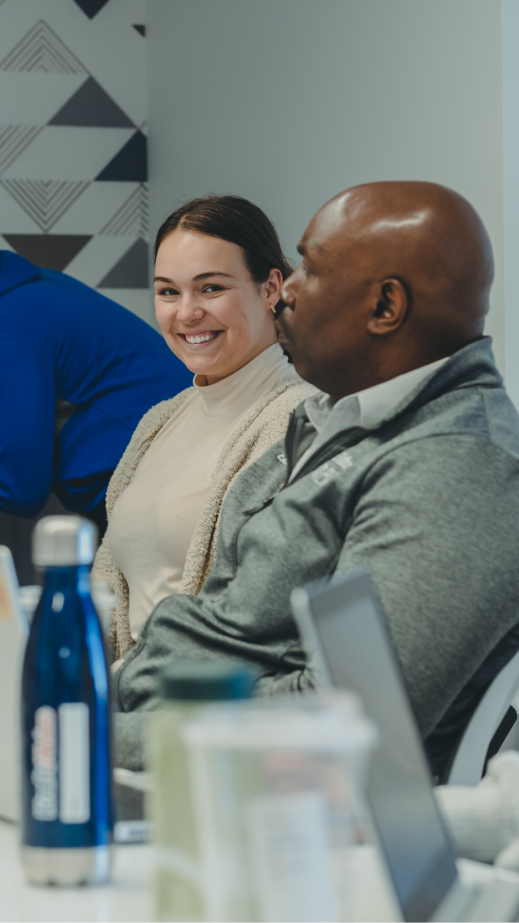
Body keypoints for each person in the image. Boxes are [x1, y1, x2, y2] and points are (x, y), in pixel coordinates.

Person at [111, 181, 519, 780]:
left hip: (264, 802)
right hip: (164, 736)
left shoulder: (457, 464)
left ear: (386, 307)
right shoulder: (334, 421)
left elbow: (347, 720)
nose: (287, 292)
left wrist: (101, 736)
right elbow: (223, 619)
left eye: (311, 269)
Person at [92, 196, 314, 659]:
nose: (187, 313)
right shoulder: (161, 420)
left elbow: (259, 620)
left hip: (203, 700)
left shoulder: (300, 419)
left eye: (211, 288)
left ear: (272, 288)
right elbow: (111, 594)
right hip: (133, 694)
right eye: (168, 292)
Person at [0, 250, 192, 524]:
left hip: (155, 480)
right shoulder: (30, 288)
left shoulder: (9, 327)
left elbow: (20, 490)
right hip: (166, 464)